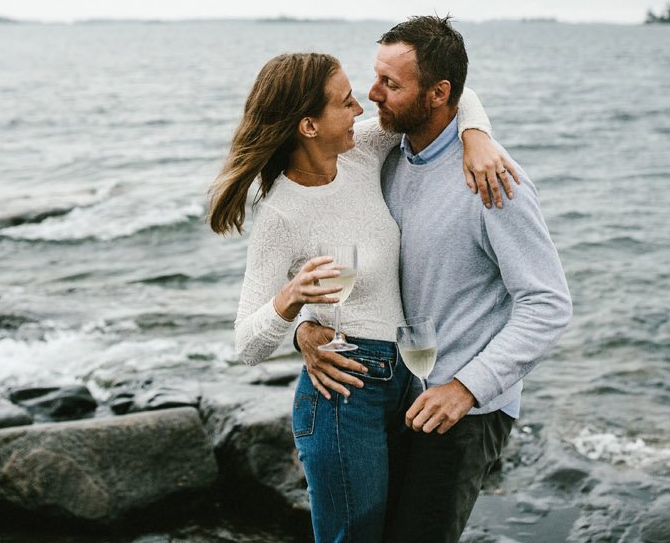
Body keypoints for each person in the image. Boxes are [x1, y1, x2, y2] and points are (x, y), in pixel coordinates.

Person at [207, 51, 516, 543]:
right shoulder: (279, 215)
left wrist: (475, 137)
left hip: (407, 384)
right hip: (344, 394)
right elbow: (246, 346)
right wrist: (291, 304)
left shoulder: (360, 153)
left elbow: (449, 98)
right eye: (345, 101)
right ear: (309, 125)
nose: (362, 108)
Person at [297, 16, 572, 543]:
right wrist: (307, 325)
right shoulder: (384, 155)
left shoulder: (493, 182)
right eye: (375, 76)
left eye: (391, 84)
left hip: (461, 410)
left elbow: (547, 303)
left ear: (439, 94)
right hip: (393, 390)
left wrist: (466, 387)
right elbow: (350, 261)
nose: (372, 94)